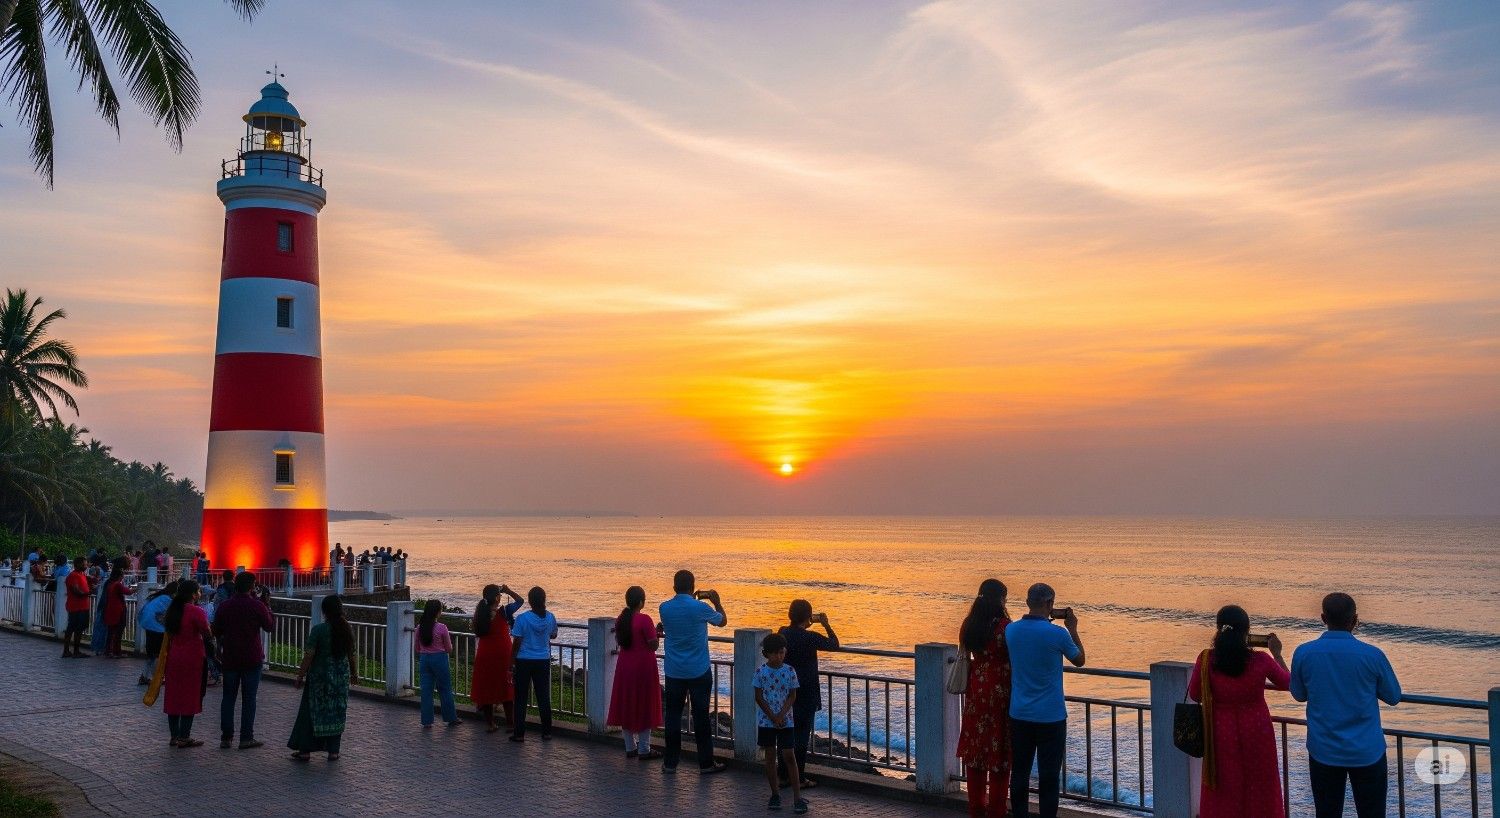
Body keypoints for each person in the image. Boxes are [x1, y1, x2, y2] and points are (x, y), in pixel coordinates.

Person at [1290, 593, 1401, 818]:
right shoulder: (1372, 655)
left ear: (1323, 618)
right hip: (1367, 751)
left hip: (1324, 750)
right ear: (1354, 620)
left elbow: (1299, 694)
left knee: (1327, 813)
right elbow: (1393, 696)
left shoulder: (1304, 652)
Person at [1186, 605, 1289, 818]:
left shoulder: (1207, 659)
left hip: (1220, 731)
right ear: (1246, 631)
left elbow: (1195, 694)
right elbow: (1288, 683)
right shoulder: (1261, 660)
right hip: (1257, 730)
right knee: (1260, 783)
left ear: (1218, 629)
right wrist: (1277, 654)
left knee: (1224, 783)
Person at [1006, 583, 1084, 818]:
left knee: (1019, 772)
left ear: (1028, 602)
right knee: (1049, 777)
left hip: (1019, 713)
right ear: (1050, 605)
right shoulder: (1058, 634)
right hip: (1051, 716)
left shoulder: (1011, 630)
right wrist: (1072, 628)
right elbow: (1079, 659)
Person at [658, 569, 728, 774]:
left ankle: (670, 763)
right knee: (701, 718)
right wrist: (716, 601)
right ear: (693, 586)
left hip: (674, 671)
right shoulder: (701, 607)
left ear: (674, 587)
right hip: (698, 670)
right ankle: (705, 763)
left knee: (672, 716)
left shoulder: (665, 608)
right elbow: (722, 621)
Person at [958, 579, 1013, 818]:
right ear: (1000, 599)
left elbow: (966, 652)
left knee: (976, 754)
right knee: (999, 757)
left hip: (976, 692)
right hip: (1000, 693)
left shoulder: (969, 624)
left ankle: (976, 810)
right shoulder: (1005, 627)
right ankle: (996, 811)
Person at [778, 599, 839, 789]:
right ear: (808, 617)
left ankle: (784, 776)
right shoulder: (810, 637)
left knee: (786, 736)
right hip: (806, 693)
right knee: (802, 738)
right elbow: (834, 644)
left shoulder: (782, 633)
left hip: (786, 691)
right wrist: (826, 624)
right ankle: (799, 778)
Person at [289, 594, 356, 761]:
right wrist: (354, 674)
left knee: (311, 713)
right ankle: (334, 751)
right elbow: (352, 655)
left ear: (324, 611)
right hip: (340, 679)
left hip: (319, 679)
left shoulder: (318, 630)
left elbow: (309, 655)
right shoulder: (347, 629)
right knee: (336, 712)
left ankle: (305, 750)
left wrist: (300, 676)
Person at [213, 572, 274, 749]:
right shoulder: (257, 606)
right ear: (251, 587)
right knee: (249, 699)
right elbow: (269, 626)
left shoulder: (225, 606)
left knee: (228, 698)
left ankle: (226, 737)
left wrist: (220, 646)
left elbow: (216, 630)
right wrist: (267, 605)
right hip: (251, 657)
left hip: (230, 657)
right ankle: (246, 737)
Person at [607, 586, 664, 758]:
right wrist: (657, 633)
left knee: (627, 703)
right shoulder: (644, 619)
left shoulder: (620, 619)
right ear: (641, 601)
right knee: (644, 704)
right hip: (643, 667)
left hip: (625, 666)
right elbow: (653, 644)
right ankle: (644, 749)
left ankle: (630, 746)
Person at [754, 632, 807, 814]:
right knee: (770, 757)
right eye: (776, 653)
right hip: (766, 721)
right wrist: (773, 717)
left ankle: (797, 797)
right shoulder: (761, 672)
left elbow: (792, 696)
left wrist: (781, 715)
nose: (779, 656)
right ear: (767, 653)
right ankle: (774, 793)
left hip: (786, 721)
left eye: (782, 652)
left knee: (789, 756)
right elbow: (759, 697)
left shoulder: (790, 671)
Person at [161, 581, 212, 748]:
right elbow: (207, 632)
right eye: (198, 591)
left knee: (174, 696)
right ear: (193, 594)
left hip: (174, 657)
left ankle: (174, 736)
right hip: (193, 659)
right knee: (190, 695)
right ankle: (185, 736)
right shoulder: (196, 611)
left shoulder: (172, 610)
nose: (200, 594)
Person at [471, 583, 524, 732]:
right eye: (499, 595)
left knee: (486, 688)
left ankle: (491, 724)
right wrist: (508, 591)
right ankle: (510, 724)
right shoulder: (504, 612)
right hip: (502, 654)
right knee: (506, 688)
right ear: (496, 597)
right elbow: (520, 601)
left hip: (484, 654)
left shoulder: (480, 613)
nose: (501, 597)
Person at [510, 586, 558, 741]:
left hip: (524, 660)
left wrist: (511, 662)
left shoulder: (522, 619)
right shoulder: (550, 617)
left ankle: (519, 734)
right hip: (543, 660)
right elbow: (554, 635)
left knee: (521, 698)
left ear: (530, 601)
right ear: (544, 600)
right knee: (543, 696)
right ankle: (547, 732)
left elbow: (516, 641)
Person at [415, 599, 460, 728]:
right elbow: (449, 649)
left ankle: (426, 720)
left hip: (424, 659)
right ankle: (451, 718)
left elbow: (417, 648)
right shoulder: (442, 628)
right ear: (438, 612)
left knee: (426, 691)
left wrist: (425, 651)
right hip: (439, 659)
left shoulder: (419, 627)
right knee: (445, 688)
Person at [137, 580, 178, 684]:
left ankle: (145, 676)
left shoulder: (158, 597)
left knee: (151, 654)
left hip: (147, 624)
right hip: (156, 627)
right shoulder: (168, 600)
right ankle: (156, 678)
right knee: (158, 654)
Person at [62, 557, 93, 658]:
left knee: (78, 628)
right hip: (76, 606)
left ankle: (75, 650)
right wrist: (87, 593)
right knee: (72, 628)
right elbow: (76, 591)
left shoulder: (82, 575)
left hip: (83, 606)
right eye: (84, 564)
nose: (86, 566)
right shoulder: (73, 576)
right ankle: (70, 651)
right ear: (78, 564)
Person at [100, 565, 129, 658]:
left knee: (111, 632)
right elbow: (128, 592)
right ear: (119, 576)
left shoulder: (110, 584)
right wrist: (138, 588)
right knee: (118, 632)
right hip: (118, 611)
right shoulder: (117, 585)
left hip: (110, 610)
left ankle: (109, 651)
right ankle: (116, 651)